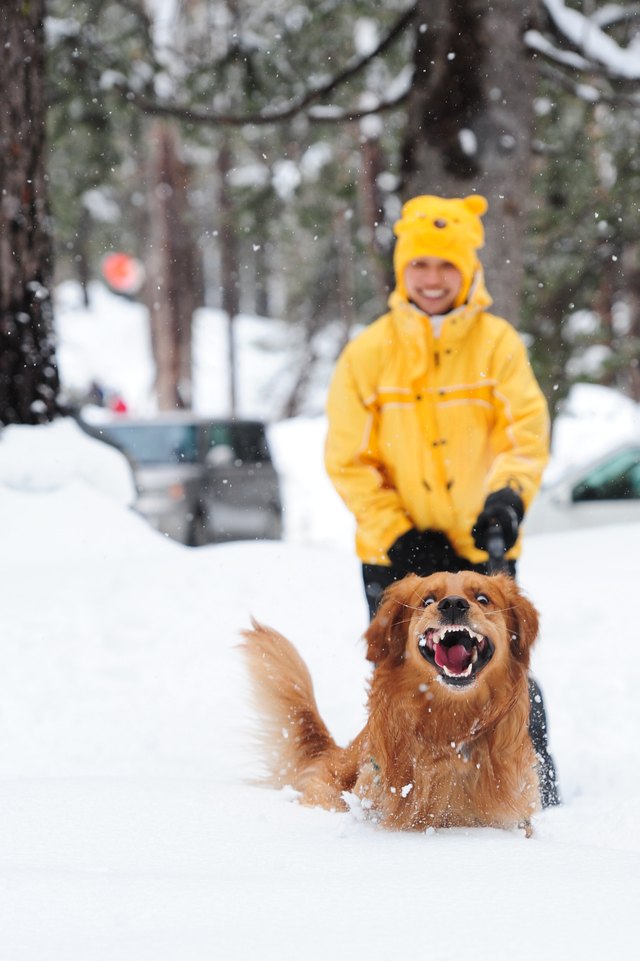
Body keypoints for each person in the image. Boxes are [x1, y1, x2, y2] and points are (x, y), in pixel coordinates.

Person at [324, 194, 559, 807]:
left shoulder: (498, 344)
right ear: (403, 273)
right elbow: (347, 459)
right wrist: (399, 534)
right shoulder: (369, 353)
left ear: (468, 271)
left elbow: (525, 434)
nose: (432, 280)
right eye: (420, 267)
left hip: (480, 547)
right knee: (400, 674)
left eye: (445, 266)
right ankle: (395, 787)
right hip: (392, 550)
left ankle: (527, 783)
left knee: (503, 670)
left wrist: (508, 495)